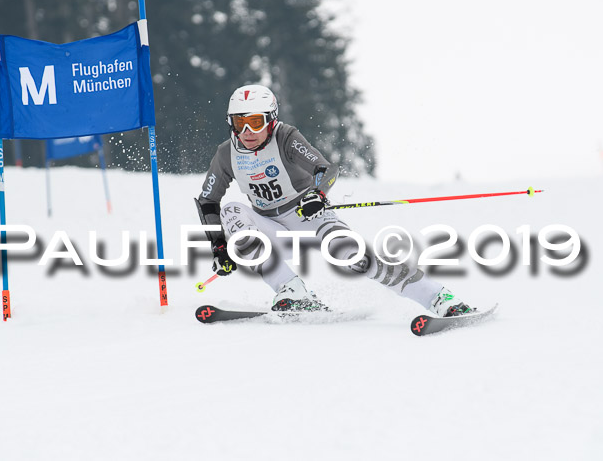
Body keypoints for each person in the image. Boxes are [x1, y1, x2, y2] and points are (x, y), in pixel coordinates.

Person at [195, 84, 474, 316]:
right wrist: (219, 245)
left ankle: (439, 298)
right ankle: (293, 293)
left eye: (255, 122)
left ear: (271, 119)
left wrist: (318, 195)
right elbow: (209, 201)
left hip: (309, 217)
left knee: (355, 259)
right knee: (232, 211)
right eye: (239, 123)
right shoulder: (225, 154)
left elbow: (325, 169)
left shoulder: (285, 137)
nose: (247, 132)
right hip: (271, 228)